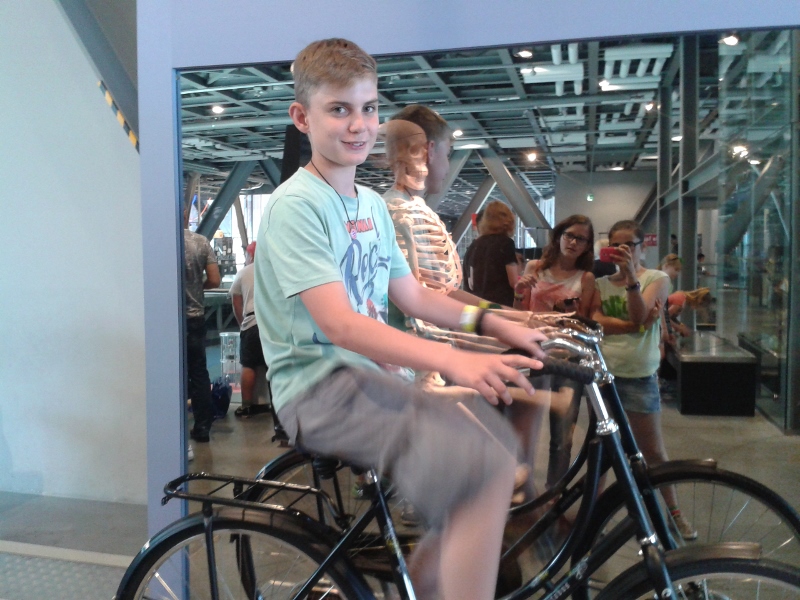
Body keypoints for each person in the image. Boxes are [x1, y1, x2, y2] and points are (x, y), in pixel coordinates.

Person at [253, 38, 547, 600]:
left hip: (370, 378)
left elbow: (415, 297)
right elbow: (340, 325)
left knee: (496, 449)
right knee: (484, 468)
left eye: (368, 108)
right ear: (302, 118)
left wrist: (494, 323)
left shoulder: (369, 205)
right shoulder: (297, 206)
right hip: (318, 389)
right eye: (339, 109)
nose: (358, 124)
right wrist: (451, 359)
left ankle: (428, 583)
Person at [590, 220, 697, 540]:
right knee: (603, 453)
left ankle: (674, 513)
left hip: (639, 376)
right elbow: (596, 321)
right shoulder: (600, 283)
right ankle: (592, 519)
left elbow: (638, 313)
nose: (622, 251)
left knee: (653, 452)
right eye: (615, 245)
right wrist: (634, 326)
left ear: (642, 247)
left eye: (628, 245)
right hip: (604, 376)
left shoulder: (657, 278)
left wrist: (632, 281)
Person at [514, 215, 596, 488]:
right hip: (533, 355)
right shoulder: (535, 268)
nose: (573, 242)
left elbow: (585, 322)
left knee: (562, 438)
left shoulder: (586, 278)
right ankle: (519, 492)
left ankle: (554, 496)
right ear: (559, 236)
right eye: (569, 235)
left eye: (581, 239)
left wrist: (571, 314)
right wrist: (519, 292)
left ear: (587, 246)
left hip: (568, 360)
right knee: (523, 431)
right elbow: (518, 315)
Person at [183, 205, 221, 443]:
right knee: (198, 373)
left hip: (167, 321)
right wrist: (198, 288)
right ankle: (202, 427)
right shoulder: (200, 242)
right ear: (186, 216)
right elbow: (215, 280)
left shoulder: (161, 242)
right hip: (195, 317)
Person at [229, 241, 270, 418]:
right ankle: (277, 405)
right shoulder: (273, 270)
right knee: (273, 366)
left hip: (251, 322)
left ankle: (246, 406)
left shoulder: (243, 273)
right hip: (271, 324)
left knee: (248, 365)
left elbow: (236, 302)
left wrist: (242, 324)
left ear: (251, 256)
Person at [464, 200, 519, 306]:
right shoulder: (505, 243)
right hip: (498, 305)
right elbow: (514, 282)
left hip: (475, 304)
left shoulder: (473, 245)